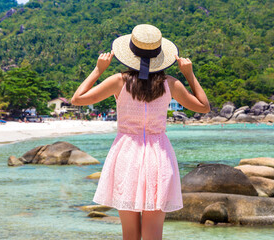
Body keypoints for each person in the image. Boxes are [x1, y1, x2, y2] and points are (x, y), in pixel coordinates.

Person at [71, 24, 210, 240]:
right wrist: (190, 75)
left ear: (131, 54)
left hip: (126, 155)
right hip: (159, 157)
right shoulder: (170, 84)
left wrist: (99, 69)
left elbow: (77, 99)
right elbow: (204, 107)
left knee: (130, 235)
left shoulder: (118, 81)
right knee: (154, 235)